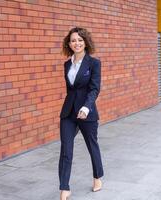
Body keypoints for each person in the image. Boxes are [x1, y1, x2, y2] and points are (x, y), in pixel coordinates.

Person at [59, 27, 104, 200]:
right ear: (68, 44)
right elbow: (71, 90)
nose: (76, 43)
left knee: (92, 146)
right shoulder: (67, 64)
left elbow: (94, 89)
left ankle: (97, 177)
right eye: (73, 40)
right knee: (66, 149)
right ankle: (64, 188)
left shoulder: (94, 63)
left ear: (85, 42)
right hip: (68, 113)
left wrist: (86, 107)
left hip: (87, 112)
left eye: (80, 40)